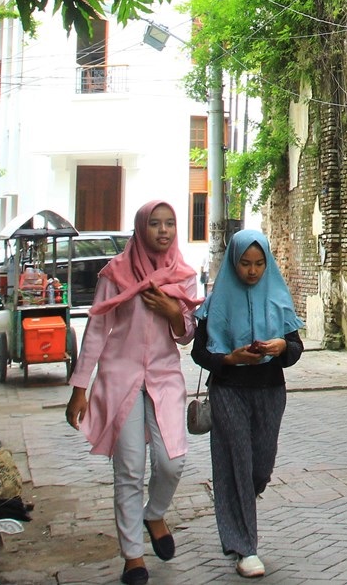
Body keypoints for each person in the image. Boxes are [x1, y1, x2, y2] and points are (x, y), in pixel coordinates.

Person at [65, 201, 202, 585]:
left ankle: (154, 512)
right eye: (155, 224)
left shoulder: (183, 275)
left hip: (164, 377)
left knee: (172, 460)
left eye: (170, 223)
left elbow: (187, 333)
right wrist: (80, 388)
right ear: (141, 228)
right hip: (119, 377)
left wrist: (172, 311)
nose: (163, 230)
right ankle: (133, 556)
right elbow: (96, 330)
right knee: (128, 470)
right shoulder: (116, 273)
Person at [191, 230, 304, 579]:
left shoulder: (278, 296)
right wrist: (229, 358)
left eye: (259, 263)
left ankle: (232, 505)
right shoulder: (218, 299)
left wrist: (280, 348)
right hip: (229, 390)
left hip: (270, 391)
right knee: (238, 462)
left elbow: (295, 347)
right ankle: (245, 548)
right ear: (233, 261)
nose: (252, 271)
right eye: (245, 263)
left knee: (260, 467)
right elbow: (199, 352)